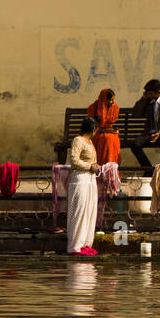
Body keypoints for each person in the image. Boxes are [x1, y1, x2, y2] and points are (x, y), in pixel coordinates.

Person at [128, 79, 160, 176]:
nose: (148, 95)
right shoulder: (148, 101)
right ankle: (148, 170)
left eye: (150, 93)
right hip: (151, 134)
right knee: (135, 144)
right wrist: (143, 99)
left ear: (158, 91)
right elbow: (136, 113)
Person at [67, 118, 100, 256]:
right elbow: (74, 160)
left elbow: (92, 160)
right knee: (79, 212)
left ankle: (85, 243)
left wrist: (96, 166)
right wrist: (89, 166)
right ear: (93, 129)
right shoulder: (78, 140)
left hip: (90, 179)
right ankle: (75, 246)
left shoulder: (90, 142)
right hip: (80, 178)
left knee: (89, 212)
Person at [87, 88, 121, 165]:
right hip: (96, 133)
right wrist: (105, 130)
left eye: (113, 100)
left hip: (109, 132)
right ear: (104, 99)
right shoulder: (93, 108)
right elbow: (92, 126)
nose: (113, 102)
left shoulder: (115, 107)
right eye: (111, 100)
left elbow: (111, 123)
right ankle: (103, 165)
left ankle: (110, 165)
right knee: (106, 138)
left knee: (111, 139)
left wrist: (113, 130)